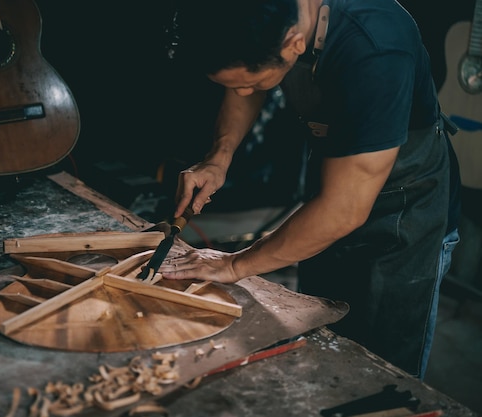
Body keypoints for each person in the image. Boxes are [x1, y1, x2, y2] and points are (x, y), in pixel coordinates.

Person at [157, 0, 461, 379]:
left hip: (404, 209)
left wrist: (235, 264)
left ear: (294, 44)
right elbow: (244, 87)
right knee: (321, 330)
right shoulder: (264, 22)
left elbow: (343, 210)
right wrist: (219, 157)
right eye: (236, 84)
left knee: (380, 371)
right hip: (332, 188)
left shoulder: (377, 48)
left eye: (253, 81)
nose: (246, 90)